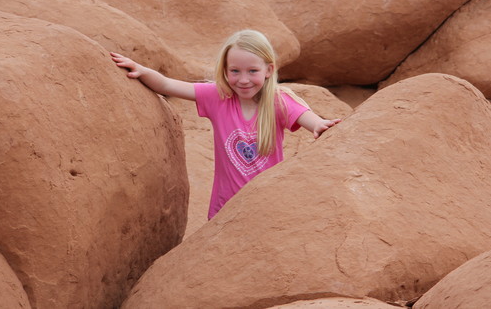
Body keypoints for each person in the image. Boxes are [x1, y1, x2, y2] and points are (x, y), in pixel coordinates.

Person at [110, 29, 340, 219]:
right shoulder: (218, 97)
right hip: (224, 209)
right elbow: (168, 86)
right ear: (225, 70)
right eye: (235, 71)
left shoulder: (278, 101)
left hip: (265, 207)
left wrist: (319, 124)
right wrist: (141, 70)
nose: (243, 79)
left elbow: (309, 119)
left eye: (253, 71)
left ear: (269, 70)